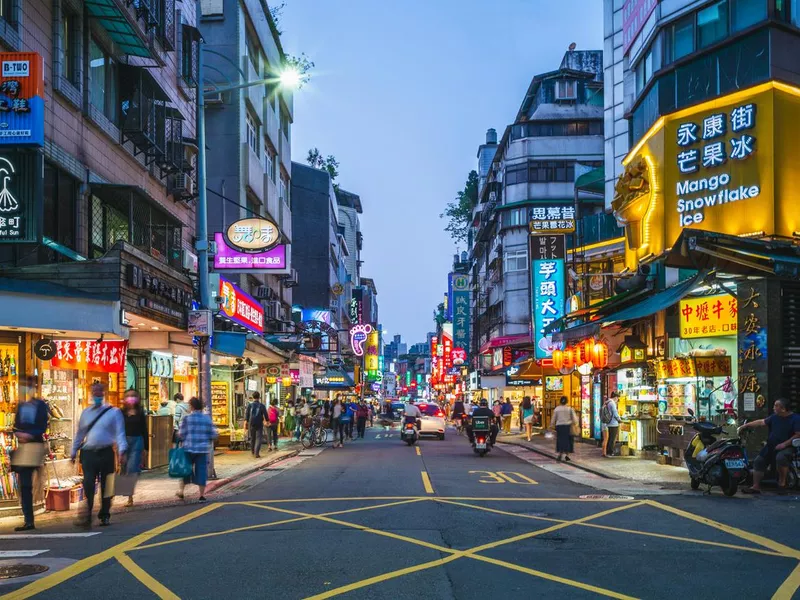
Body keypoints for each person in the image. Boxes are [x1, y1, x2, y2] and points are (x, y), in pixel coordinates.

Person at [71, 382, 127, 527]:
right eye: (94, 392)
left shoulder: (113, 412)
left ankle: (105, 514)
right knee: (88, 483)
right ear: (91, 393)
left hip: (106, 452)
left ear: (104, 393)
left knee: (107, 485)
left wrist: (122, 451)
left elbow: (120, 433)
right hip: (89, 453)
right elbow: (80, 434)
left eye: (99, 391)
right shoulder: (86, 412)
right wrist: (73, 450)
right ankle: (88, 514)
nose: (97, 394)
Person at [740, 398, 800, 494]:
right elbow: (761, 422)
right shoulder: (774, 417)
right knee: (759, 461)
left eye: (776, 406)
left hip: (788, 446)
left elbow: (798, 434)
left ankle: (782, 483)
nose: (773, 408)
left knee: (781, 458)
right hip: (771, 445)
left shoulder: (796, 419)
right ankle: (756, 486)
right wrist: (746, 426)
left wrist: (784, 444)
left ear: (783, 409)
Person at [12, 376, 48, 531]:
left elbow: (43, 426)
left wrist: (30, 435)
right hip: (23, 447)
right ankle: (29, 520)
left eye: (29, 385)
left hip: (35, 446)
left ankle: (32, 515)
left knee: (32, 482)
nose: (26, 388)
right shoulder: (21, 406)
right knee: (25, 484)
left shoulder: (40, 405)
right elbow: (16, 425)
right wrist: (19, 434)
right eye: (24, 385)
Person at [177, 397, 218, 503]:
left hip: (188, 448)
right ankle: (201, 495)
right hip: (202, 449)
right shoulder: (206, 419)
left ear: (192, 406)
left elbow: (181, 434)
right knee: (201, 471)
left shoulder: (187, 419)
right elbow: (214, 434)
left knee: (185, 470)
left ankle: (181, 491)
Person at [122, 390, 148, 507]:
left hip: (137, 441)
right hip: (124, 441)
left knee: (131, 468)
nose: (131, 398)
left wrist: (146, 448)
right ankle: (126, 490)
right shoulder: (121, 412)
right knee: (124, 468)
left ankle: (129, 496)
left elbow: (144, 430)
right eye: (128, 396)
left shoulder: (140, 412)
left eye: (133, 396)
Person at [552, 396, 578, 462]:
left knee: (560, 440)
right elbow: (575, 419)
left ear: (560, 401)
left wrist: (551, 425)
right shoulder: (570, 409)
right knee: (568, 441)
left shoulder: (557, 409)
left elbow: (553, 419)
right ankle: (567, 455)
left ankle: (560, 453)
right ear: (567, 401)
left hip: (559, 427)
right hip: (567, 427)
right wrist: (575, 424)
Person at [245, 392, 267, 458]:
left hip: (251, 423)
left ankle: (252, 451)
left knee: (252, 438)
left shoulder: (250, 405)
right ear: (259, 397)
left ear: (253, 397)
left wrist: (246, 422)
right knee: (258, 438)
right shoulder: (262, 405)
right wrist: (267, 421)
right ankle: (256, 453)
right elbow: (265, 414)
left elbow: (247, 415)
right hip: (259, 424)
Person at [605, 392, 621, 457]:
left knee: (610, 438)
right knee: (612, 438)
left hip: (609, 423)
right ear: (615, 397)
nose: (617, 400)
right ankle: (610, 452)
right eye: (617, 398)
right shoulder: (612, 403)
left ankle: (608, 451)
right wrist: (619, 419)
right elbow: (615, 413)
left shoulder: (608, 402)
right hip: (613, 423)